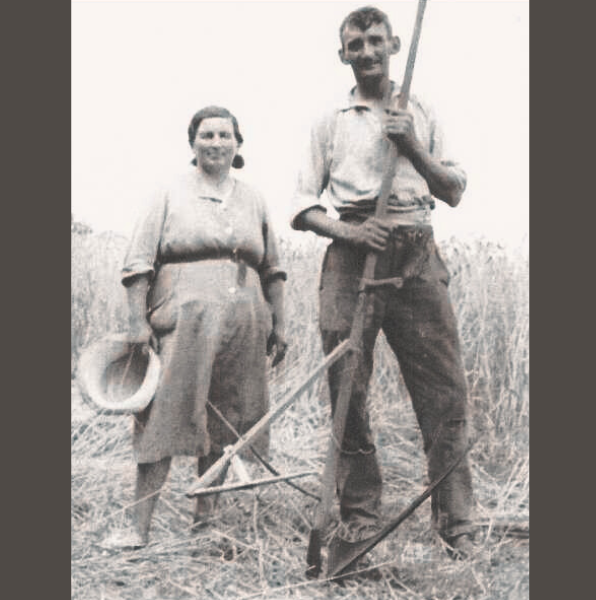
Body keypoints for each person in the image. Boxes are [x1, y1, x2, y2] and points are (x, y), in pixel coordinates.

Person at [290, 6, 475, 559]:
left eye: (376, 40)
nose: (366, 51)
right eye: (355, 43)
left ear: (394, 43)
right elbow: (302, 207)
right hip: (352, 257)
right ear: (341, 53)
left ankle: (457, 523)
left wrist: (412, 144)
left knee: (445, 391)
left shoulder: (422, 108)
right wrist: (350, 232)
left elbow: (455, 189)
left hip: (417, 253)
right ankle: (359, 519)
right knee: (348, 387)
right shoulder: (330, 120)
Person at [117, 105, 287, 547]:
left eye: (224, 135)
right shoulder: (170, 192)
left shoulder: (253, 198)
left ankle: (205, 522)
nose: (215, 143)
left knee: (229, 418)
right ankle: (138, 528)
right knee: (164, 414)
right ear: (192, 144)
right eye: (206, 135)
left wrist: (279, 323)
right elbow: (138, 261)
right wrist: (137, 321)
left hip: (246, 319)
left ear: (238, 144)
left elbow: (274, 270)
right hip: (184, 316)